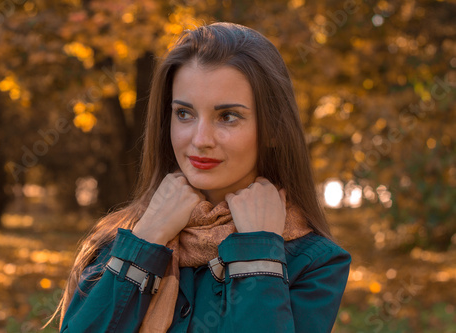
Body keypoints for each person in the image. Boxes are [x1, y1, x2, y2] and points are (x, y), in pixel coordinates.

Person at [48, 22, 351, 332]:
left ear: (273, 129)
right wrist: (146, 239)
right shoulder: (117, 240)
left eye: (228, 116)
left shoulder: (314, 263)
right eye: (184, 114)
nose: (200, 138)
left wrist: (258, 256)